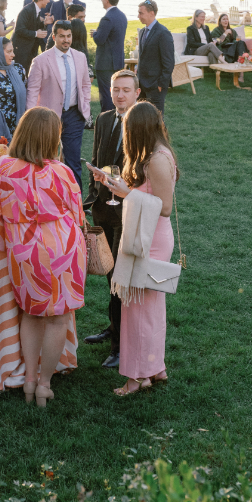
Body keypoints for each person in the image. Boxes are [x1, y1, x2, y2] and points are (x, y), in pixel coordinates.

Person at [0, 106, 86, 407]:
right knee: (58, 318)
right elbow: (78, 214)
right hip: (63, 248)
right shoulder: (62, 172)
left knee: (31, 313)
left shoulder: (2, 167)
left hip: (25, 251)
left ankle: (29, 380)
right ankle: (45, 384)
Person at [90, 101, 177, 397]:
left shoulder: (157, 160)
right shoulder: (151, 155)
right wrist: (113, 184)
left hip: (150, 240)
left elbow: (165, 207)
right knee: (148, 308)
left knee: (137, 310)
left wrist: (127, 194)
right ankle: (154, 368)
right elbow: (145, 193)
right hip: (145, 236)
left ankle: (137, 378)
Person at [83, 69, 141, 367]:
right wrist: (93, 196)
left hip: (128, 209)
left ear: (137, 93)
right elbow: (95, 159)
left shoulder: (144, 123)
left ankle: (121, 347)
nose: (120, 95)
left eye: (126, 90)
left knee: (121, 276)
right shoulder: (104, 119)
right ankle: (114, 327)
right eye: (116, 89)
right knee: (109, 273)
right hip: (102, 207)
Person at [25, 20, 91, 189]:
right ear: (54, 37)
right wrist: (31, 118)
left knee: (73, 159)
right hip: (48, 117)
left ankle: (76, 203)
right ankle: (45, 195)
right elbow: (32, 91)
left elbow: (85, 85)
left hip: (75, 115)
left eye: (69, 36)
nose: (66, 40)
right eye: (62, 36)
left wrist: (86, 107)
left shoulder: (80, 57)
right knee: (45, 158)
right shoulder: (40, 61)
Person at [92, 0, 128, 112]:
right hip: (118, 61)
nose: (101, 0)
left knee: (107, 94)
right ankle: (117, 116)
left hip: (105, 63)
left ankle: (107, 118)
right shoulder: (122, 16)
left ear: (107, 0)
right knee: (117, 91)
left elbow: (100, 40)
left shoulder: (107, 18)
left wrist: (95, 34)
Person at [136, 0, 174, 114]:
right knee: (141, 118)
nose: (138, 16)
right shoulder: (142, 31)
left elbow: (169, 62)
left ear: (151, 13)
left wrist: (161, 84)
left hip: (155, 86)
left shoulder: (163, 33)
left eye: (141, 13)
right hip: (141, 84)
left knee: (156, 120)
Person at [11, 0, 53, 72]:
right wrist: (36, 34)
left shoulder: (35, 10)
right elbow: (19, 29)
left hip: (29, 51)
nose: (49, 1)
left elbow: (32, 26)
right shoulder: (27, 10)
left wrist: (44, 23)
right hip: (21, 51)